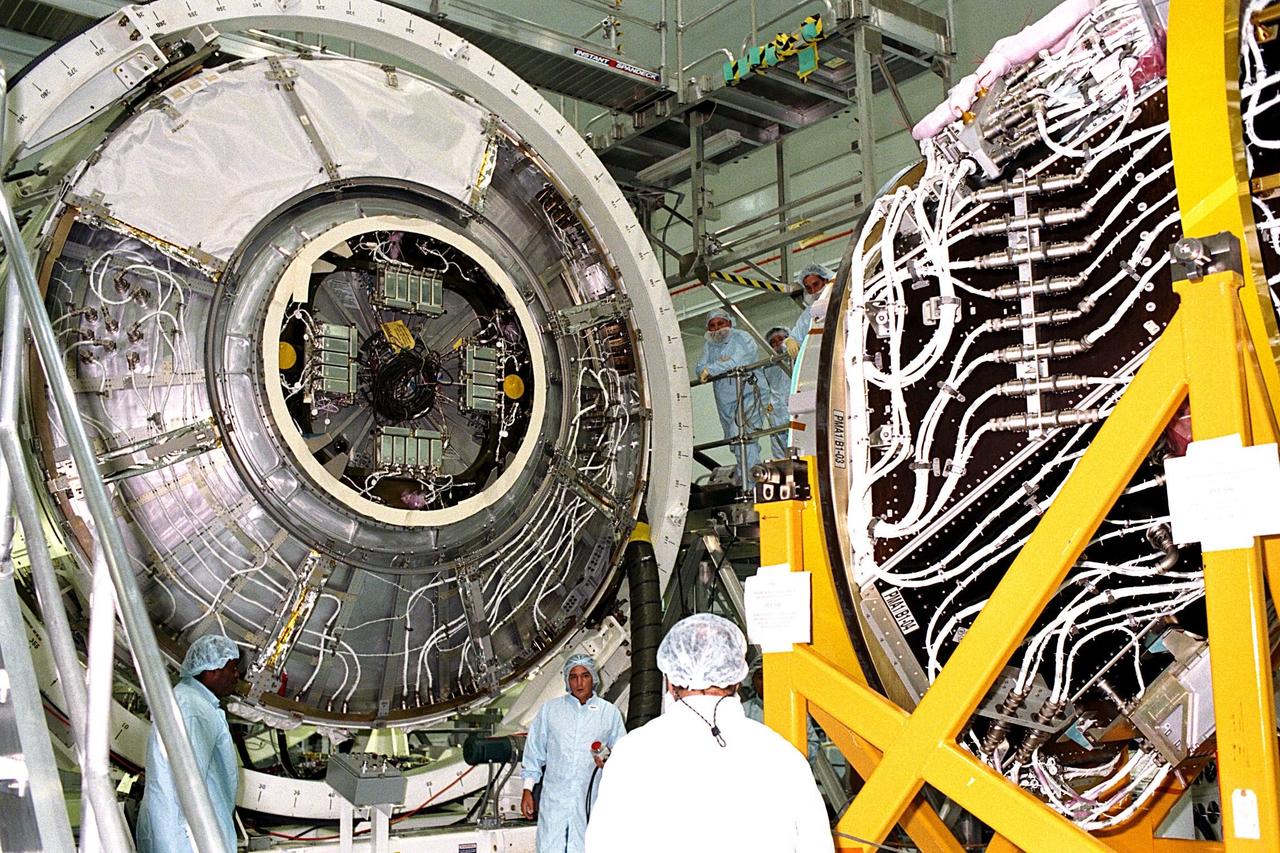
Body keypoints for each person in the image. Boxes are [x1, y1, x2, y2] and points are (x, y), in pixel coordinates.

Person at [584, 615, 832, 853]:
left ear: (669, 680)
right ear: (737, 679)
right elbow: (817, 846)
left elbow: (603, 845)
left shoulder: (633, 754)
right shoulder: (782, 756)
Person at [136, 634, 241, 853]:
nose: (237, 675)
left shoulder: (192, 701)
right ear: (212, 671)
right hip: (187, 840)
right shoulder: (193, 709)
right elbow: (187, 787)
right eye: (232, 668)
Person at [521, 653, 626, 853]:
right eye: (573, 677)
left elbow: (623, 756)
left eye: (585, 676)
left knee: (588, 846)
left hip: (590, 801)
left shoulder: (609, 714)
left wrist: (610, 762)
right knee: (550, 846)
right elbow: (534, 752)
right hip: (555, 801)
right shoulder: (550, 711)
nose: (579, 683)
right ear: (567, 680)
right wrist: (527, 789)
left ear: (593, 678)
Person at [694, 309, 770, 478]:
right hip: (726, 400)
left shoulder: (742, 338)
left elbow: (739, 361)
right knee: (735, 441)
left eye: (720, 323)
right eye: (712, 326)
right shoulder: (709, 346)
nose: (717, 329)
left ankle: (750, 482)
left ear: (729, 323)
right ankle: (746, 478)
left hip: (750, 393)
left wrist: (713, 368)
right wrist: (712, 368)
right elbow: (699, 368)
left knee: (742, 434)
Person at [786, 262, 836, 352]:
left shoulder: (841, 301)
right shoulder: (809, 313)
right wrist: (790, 340)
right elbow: (797, 336)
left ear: (826, 281)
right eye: (808, 288)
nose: (813, 291)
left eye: (816, 284)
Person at [763, 326, 793, 460]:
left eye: (780, 339)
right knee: (780, 454)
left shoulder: (798, 360)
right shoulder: (767, 368)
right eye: (773, 343)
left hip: (796, 411)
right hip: (777, 415)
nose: (777, 344)